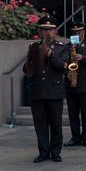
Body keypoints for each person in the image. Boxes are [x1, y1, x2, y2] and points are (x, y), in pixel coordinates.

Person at [23, 16, 67, 162]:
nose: (47, 32)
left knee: (55, 124)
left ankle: (55, 152)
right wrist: (31, 59)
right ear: (39, 31)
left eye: (50, 30)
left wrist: (51, 55)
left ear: (55, 31)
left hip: (54, 92)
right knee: (40, 124)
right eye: (44, 29)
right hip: (38, 91)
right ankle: (43, 152)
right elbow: (27, 69)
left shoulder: (61, 47)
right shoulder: (34, 47)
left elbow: (63, 66)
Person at [63, 23, 86, 148]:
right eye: (74, 32)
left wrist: (82, 57)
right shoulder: (68, 46)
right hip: (71, 84)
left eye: (79, 32)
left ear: (83, 32)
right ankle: (75, 137)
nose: (77, 34)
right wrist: (67, 73)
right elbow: (63, 62)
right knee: (73, 113)